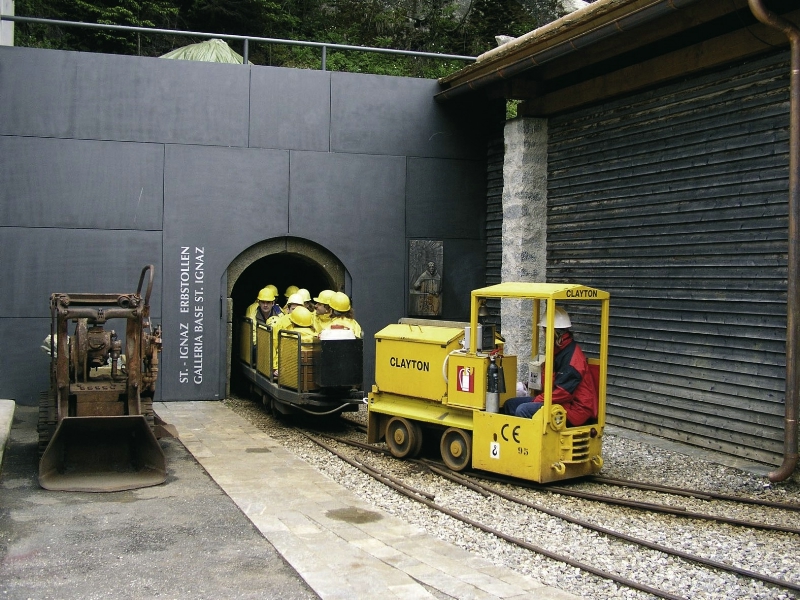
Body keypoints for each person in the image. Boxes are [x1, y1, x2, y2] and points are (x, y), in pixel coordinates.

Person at [502, 307, 597, 427]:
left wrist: (538, 399)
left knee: (523, 410)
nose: (544, 334)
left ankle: (529, 439)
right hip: (560, 402)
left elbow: (563, 392)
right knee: (509, 405)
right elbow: (550, 380)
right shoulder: (558, 350)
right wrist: (527, 385)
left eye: (544, 330)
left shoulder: (573, 358)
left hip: (575, 409)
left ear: (554, 332)